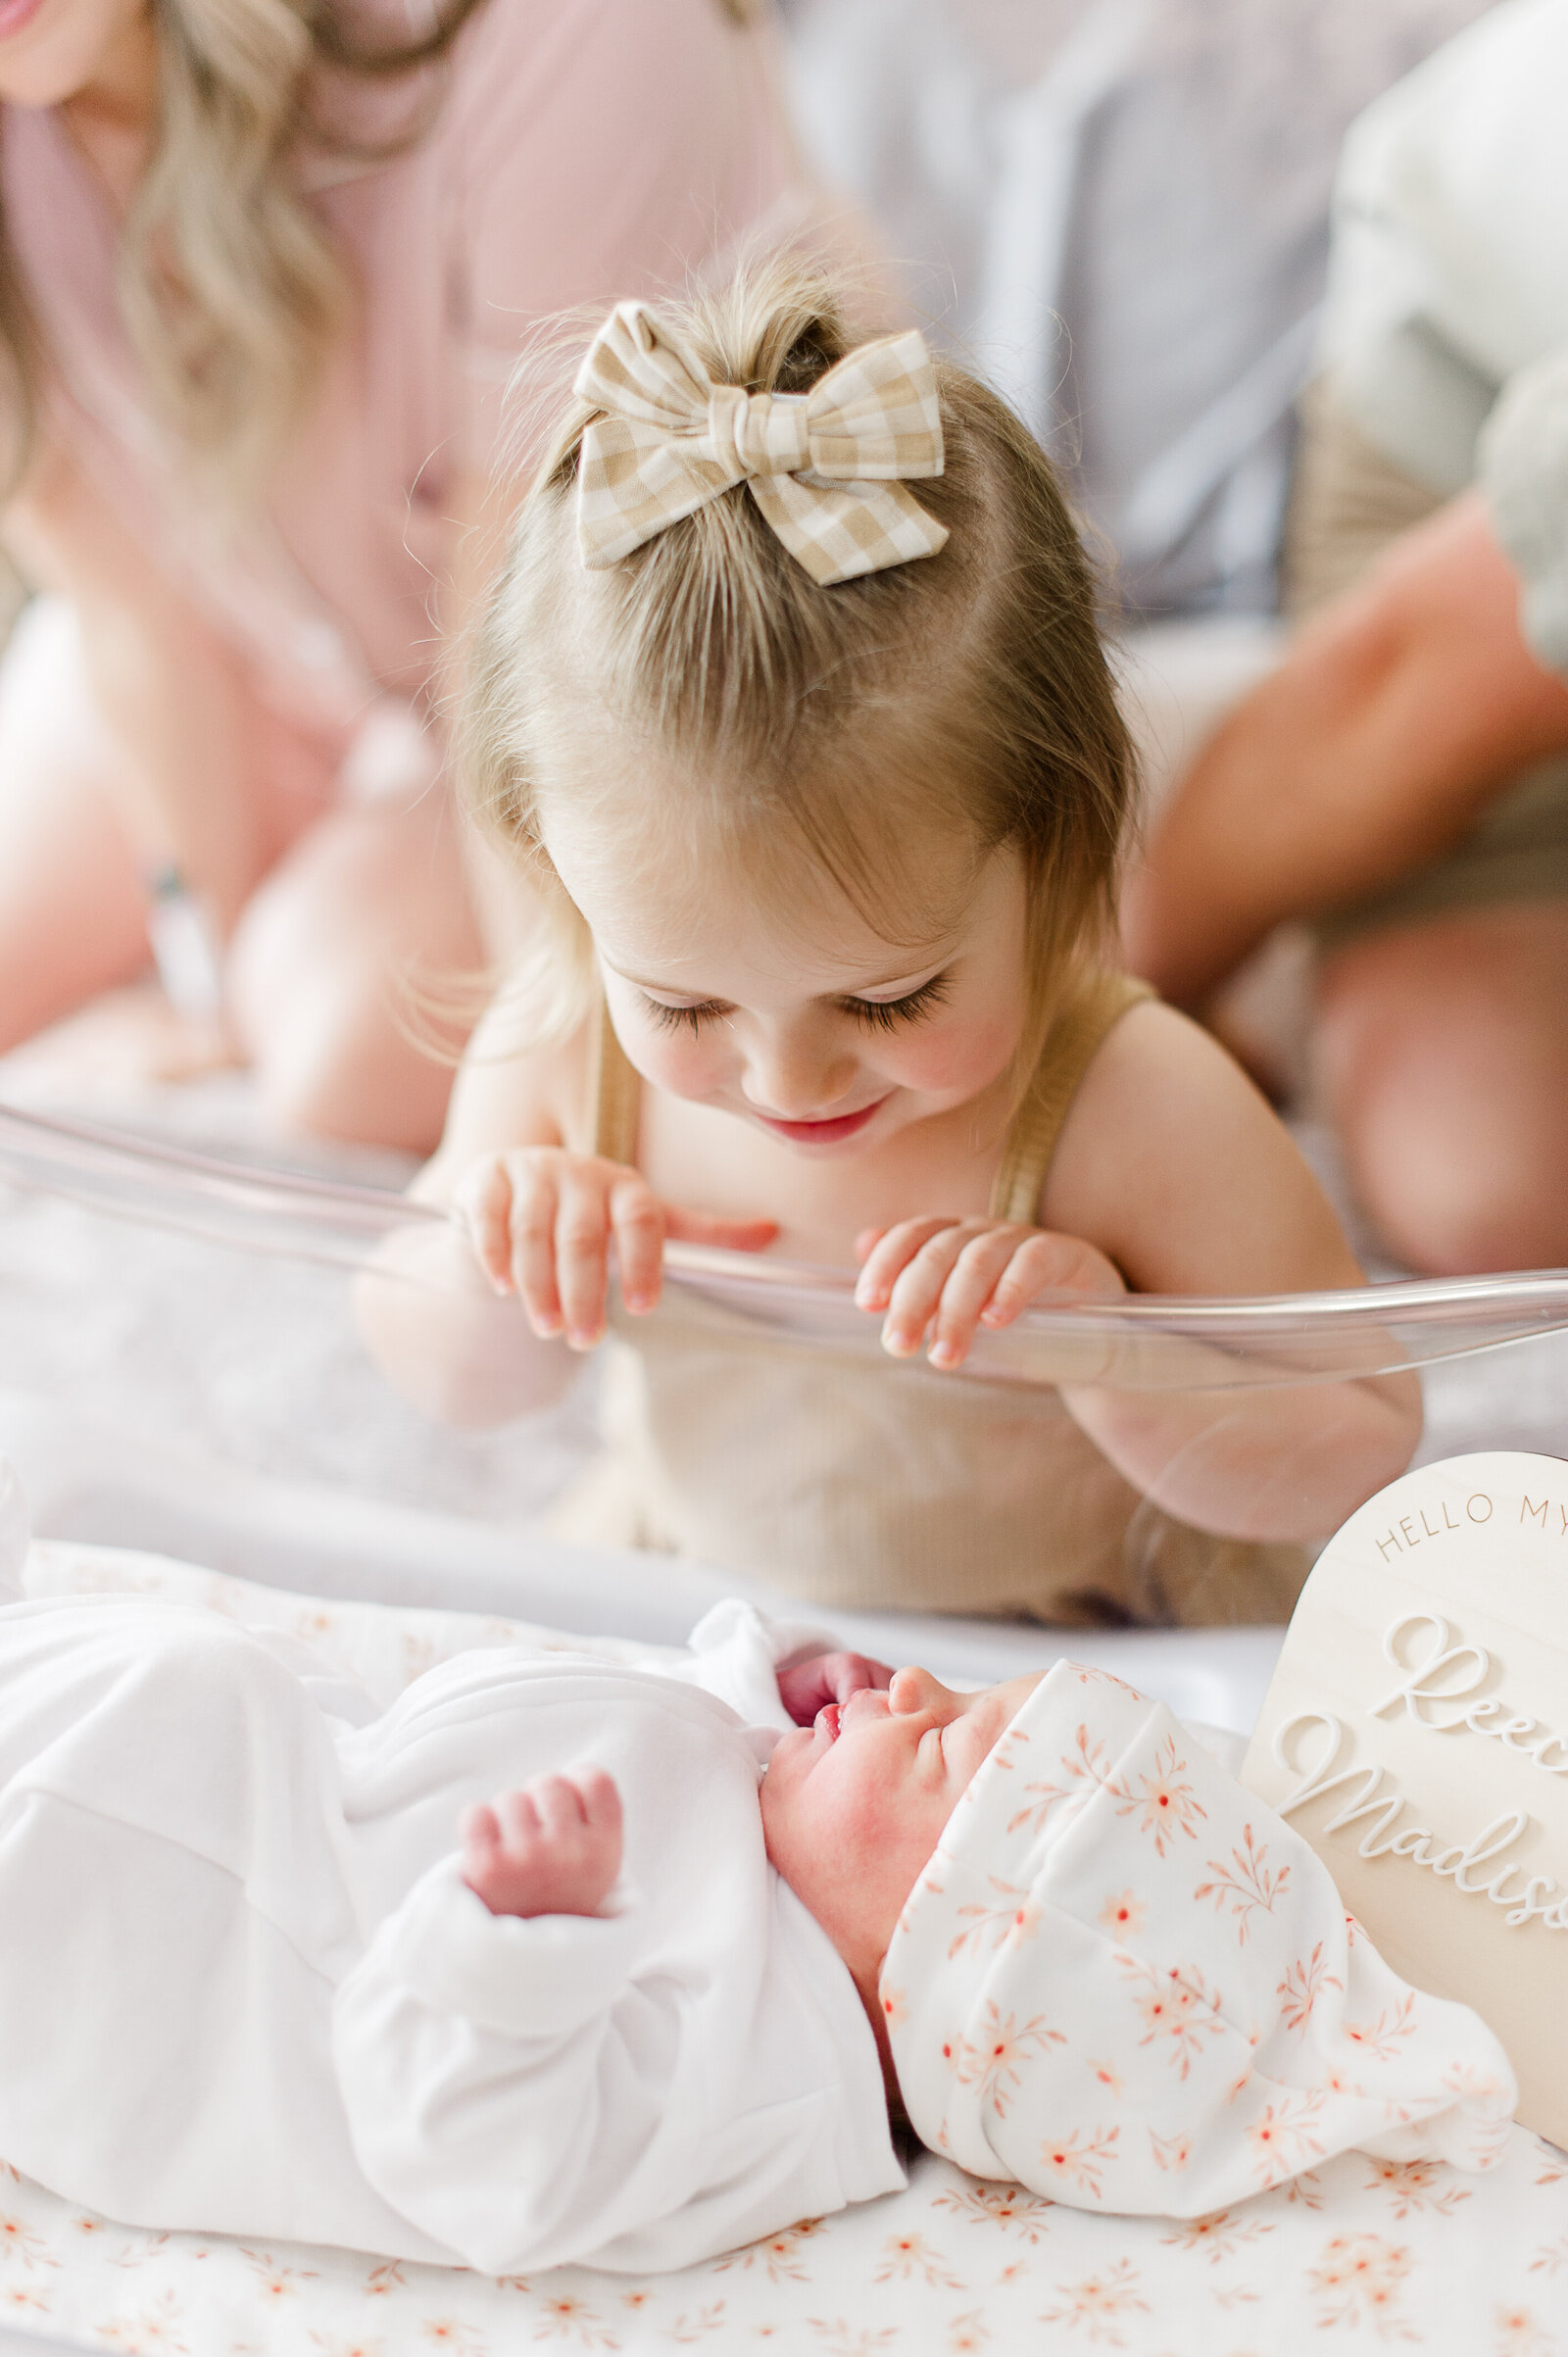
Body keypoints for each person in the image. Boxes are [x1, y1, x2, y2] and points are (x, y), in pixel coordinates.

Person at [360, 256, 1420, 1628]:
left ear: (1055, 849)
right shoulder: (562, 1048)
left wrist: (1109, 1356)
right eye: (683, 1006)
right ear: (555, 872)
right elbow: (429, 1365)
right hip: (711, 1609)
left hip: (1078, 1651)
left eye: (891, 998)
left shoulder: (1128, 1105)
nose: (789, 1080)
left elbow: (1365, 1447)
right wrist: (501, 1264)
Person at [0, 1587, 1513, 2268]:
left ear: (930, 1959)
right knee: (170, 1695)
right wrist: (782, 1677)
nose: (908, 1691)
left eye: (933, 1745)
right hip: (188, 1775)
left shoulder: (774, 2078)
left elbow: (493, 2173)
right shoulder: (801, 1862)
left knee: (160, 1725)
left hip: (145, 1953)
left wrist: (507, 1949)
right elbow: (684, 1740)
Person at [0, 0, 813, 1147]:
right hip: (299, 653)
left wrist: (543, 1074)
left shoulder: (559, 30)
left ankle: (1113, 867)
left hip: (655, 671)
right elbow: (127, 610)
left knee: (344, 1034)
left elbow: (519, 616)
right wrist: (210, 977)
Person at [1121, 0, 1568, 1276]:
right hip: (1472, 382)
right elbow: (1392, 689)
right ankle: (1300, 960)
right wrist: (1098, 1016)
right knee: (1495, 1189)